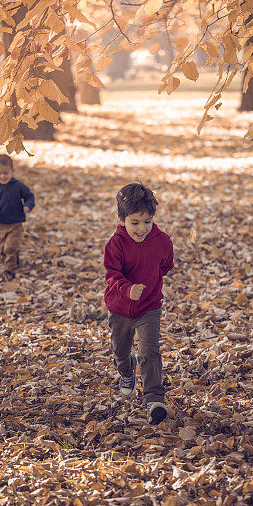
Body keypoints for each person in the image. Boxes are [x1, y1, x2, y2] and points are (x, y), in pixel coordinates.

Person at [104, 182, 174, 424]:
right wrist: (127, 289)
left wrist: (150, 285)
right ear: (122, 219)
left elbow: (166, 265)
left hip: (149, 306)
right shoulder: (115, 244)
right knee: (120, 351)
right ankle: (126, 371)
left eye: (147, 221)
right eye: (135, 222)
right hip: (120, 307)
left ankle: (154, 399)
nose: (142, 228)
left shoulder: (162, 240)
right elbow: (111, 275)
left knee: (149, 350)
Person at [0, 154, 35, 278]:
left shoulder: (18, 185)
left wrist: (27, 206)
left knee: (10, 247)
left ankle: (10, 270)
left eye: (6, 173)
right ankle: (14, 259)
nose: (3, 176)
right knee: (1, 248)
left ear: (12, 171)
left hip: (15, 223)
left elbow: (29, 196)